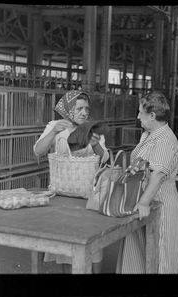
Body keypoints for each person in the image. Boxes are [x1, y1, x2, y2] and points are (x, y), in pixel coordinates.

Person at [33, 90, 109, 274]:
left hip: (88, 199)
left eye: (86, 109)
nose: (84, 113)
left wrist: (95, 143)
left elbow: (105, 158)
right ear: (68, 110)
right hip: (61, 197)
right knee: (67, 251)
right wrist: (53, 132)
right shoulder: (55, 126)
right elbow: (38, 151)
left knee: (91, 249)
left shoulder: (93, 128)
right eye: (79, 108)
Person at [116, 91, 178, 273]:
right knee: (138, 254)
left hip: (159, 203)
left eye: (140, 112)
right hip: (142, 200)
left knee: (160, 256)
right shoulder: (148, 134)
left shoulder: (165, 139)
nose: (137, 117)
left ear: (152, 116)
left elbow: (158, 174)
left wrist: (144, 201)